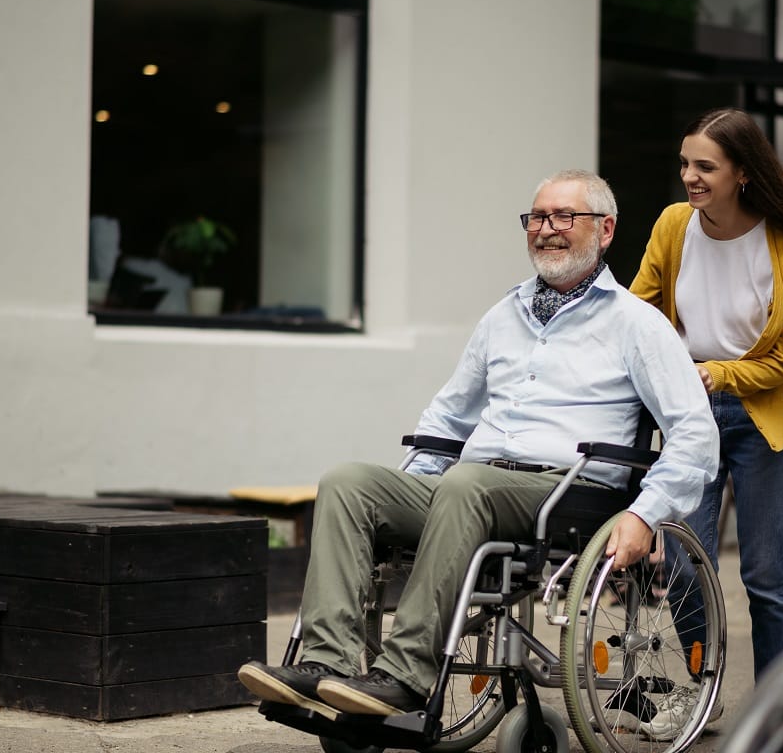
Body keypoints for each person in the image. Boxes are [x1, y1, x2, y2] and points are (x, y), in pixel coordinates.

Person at [238, 169, 719, 734]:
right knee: (349, 482)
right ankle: (329, 664)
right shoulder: (504, 315)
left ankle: (405, 675)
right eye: (537, 218)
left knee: (467, 485)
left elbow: (695, 435)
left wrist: (645, 513)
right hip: (475, 487)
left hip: (569, 493)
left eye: (564, 217)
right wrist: (410, 499)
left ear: (605, 229)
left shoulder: (637, 324)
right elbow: (447, 417)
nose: (547, 230)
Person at [630, 107, 783, 681]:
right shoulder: (672, 225)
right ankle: (700, 692)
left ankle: (780, 708)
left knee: (767, 577)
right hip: (688, 415)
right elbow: (638, 312)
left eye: (705, 166)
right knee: (684, 564)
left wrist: (716, 373)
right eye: (685, 164)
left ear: (743, 173)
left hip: (763, 422)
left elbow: (781, 363)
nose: (690, 177)